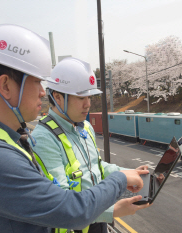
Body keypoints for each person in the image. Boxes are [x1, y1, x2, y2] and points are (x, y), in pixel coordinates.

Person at [0, 24, 149, 233]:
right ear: (5, 86)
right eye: (37, 81)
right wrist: (120, 181)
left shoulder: (2, 140)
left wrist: (123, 174)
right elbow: (70, 210)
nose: (43, 92)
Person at [30, 57, 150, 233]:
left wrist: (125, 173)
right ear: (57, 97)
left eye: (89, 97)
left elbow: (96, 166)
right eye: (80, 97)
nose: (88, 104)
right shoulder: (44, 138)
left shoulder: (84, 126)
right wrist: (113, 210)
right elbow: (62, 205)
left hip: (97, 221)